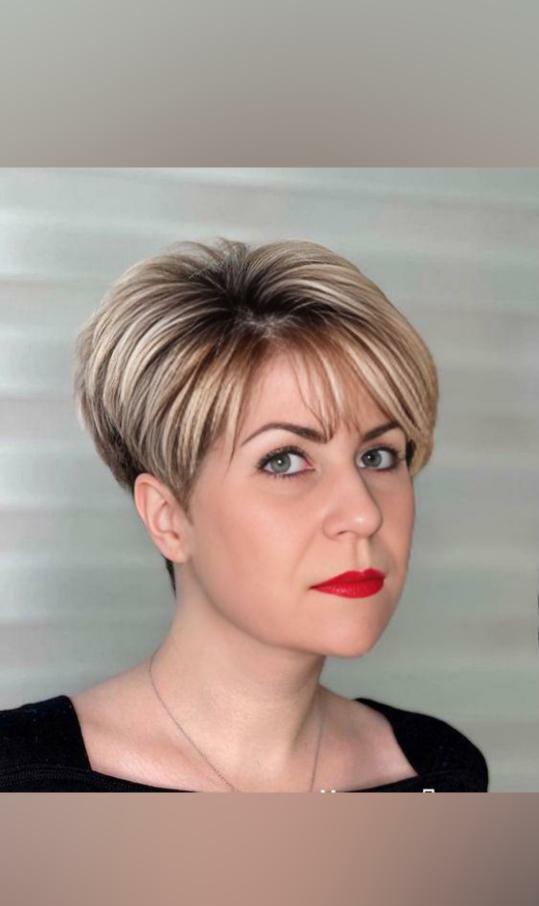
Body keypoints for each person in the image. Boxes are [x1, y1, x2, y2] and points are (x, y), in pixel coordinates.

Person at [0, 238, 489, 792]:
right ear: (167, 517)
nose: (363, 515)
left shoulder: (439, 768)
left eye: (377, 456)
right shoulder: (21, 776)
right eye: (284, 460)